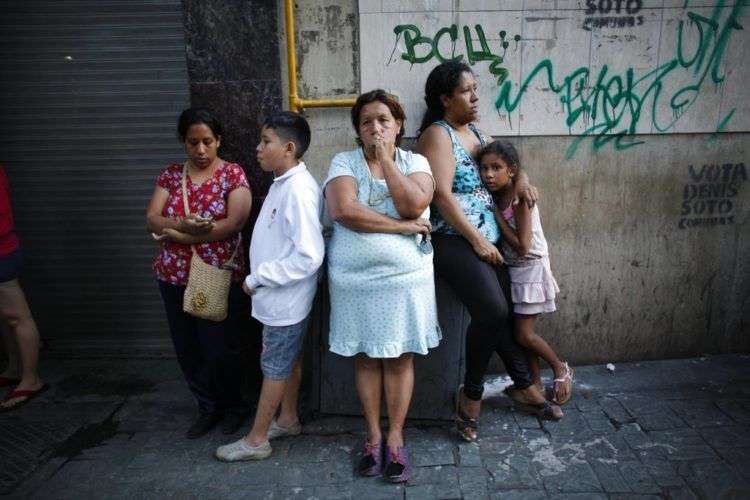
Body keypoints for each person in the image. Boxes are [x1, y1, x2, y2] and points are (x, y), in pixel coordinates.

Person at [416, 61, 562, 442]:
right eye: (467, 91)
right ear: (445, 98)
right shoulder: (438, 135)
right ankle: (471, 395)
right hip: (453, 239)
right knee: (494, 310)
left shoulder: (477, 132)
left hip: (489, 241)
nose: (476, 97)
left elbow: (510, 161)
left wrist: (525, 183)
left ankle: (523, 385)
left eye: (475, 89)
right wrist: (477, 241)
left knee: (505, 313)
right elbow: (442, 196)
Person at [325, 90, 441, 482]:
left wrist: (387, 161)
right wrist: (401, 227)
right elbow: (343, 209)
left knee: (399, 357)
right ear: (357, 130)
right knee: (366, 357)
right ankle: (372, 436)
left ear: (399, 125)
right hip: (355, 280)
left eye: (383, 120)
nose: (375, 128)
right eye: (366, 122)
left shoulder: (416, 162)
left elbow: (413, 203)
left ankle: (395, 438)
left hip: (405, 281)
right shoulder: (343, 161)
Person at [215, 111, 324, 461]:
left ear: (289, 148)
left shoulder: (299, 191)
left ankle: (257, 439)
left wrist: (257, 278)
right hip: (278, 300)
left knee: (275, 367)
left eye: (266, 141)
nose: (258, 149)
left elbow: (309, 256)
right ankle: (288, 419)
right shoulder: (284, 183)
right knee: (288, 362)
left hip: (284, 300)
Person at [146, 107, 252, 438]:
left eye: (208, 141)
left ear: (219, 140)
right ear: (184, 142)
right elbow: (152, 217)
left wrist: (179, 235)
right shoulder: (169, 176)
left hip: (217, 275)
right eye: (193, 143)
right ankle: (208, 408)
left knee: (221, 347)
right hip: (174, 277)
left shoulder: (232, 174)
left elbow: (233, 223)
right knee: (188, 347)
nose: (201, 150)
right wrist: (180, 223)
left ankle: (234, 407)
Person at [478, 140, 573, 405]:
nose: (489, 174)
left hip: (530, 268)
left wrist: (497, 218)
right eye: (484, 168)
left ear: (511, 171)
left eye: (496, 168)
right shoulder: (503, 192)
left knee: (524, 334)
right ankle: (534, 385)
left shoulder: (519, 198)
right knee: (521, 334)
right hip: (517, 271)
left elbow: (523, 246)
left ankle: (560, 368)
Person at [0, 165, 48, 412]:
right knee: (5, 317)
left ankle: (31, 379)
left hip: (2, 251)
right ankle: (14, 368)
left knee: (17, 316)